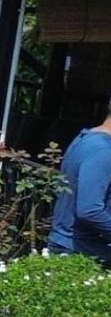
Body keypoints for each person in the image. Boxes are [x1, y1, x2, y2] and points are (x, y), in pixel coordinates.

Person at [48, 98, 111, 261]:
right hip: (80, 253)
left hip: (71, 247)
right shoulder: (103, 150)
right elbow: (90, 210)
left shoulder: (87, 139)